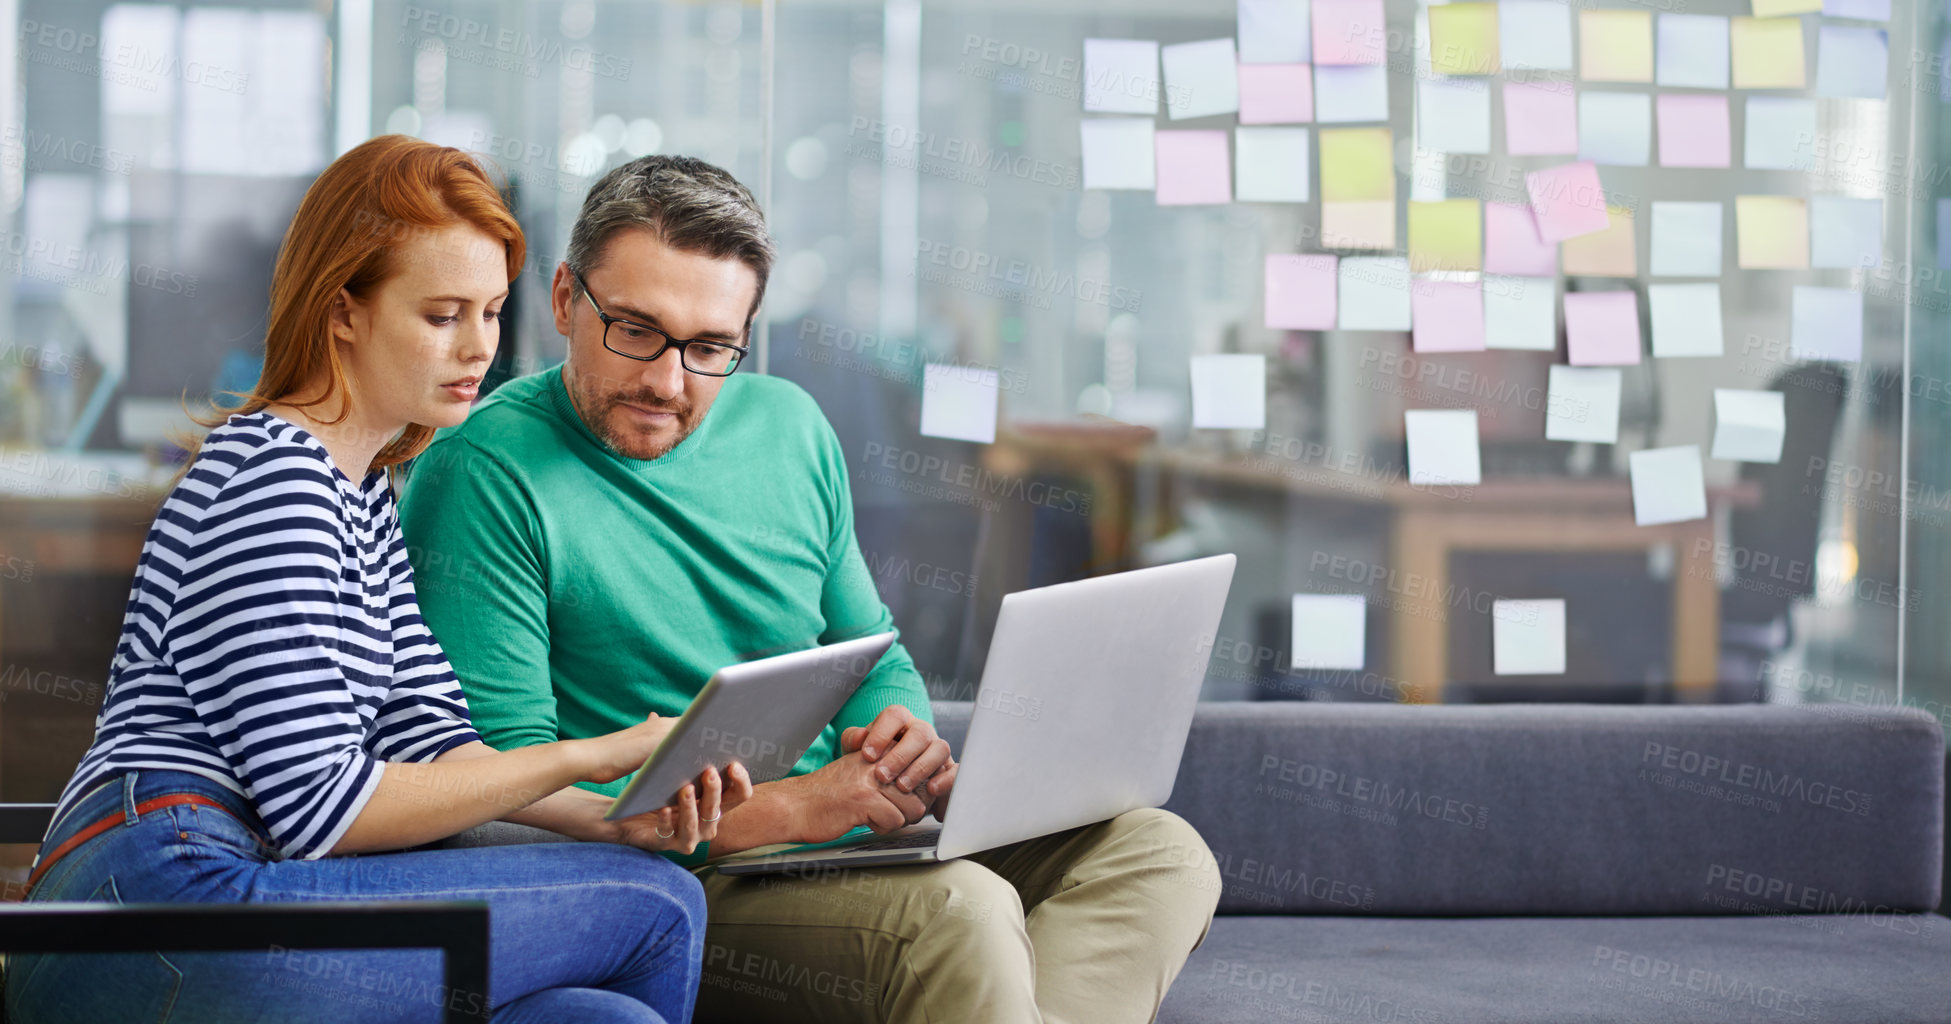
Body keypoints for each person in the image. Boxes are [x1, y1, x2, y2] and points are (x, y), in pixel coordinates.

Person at [398, 154, 1222, 1024]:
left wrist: (899, 726)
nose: (666, 383)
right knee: (962, 913)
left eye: (711, 348)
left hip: (843, 836)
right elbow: (503, 790)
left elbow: (870, 649)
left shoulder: (789, 426)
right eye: (634, 330)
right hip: (672, 881)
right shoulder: (482, 471)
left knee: (1157, 853)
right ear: (565, 299)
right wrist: (784, 811)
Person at [6, 135, 750, 1024]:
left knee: (599, 1019)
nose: (478, 348)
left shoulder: (360, 495)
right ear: (344, 311)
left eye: (490, 312)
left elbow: (431, 739)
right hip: (155, 902)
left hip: (232, 892)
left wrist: (608, 813)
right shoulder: (271, 482)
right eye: (442, 316)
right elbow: (321, 807)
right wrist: (600, 750)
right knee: (659, 902)